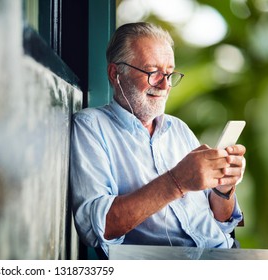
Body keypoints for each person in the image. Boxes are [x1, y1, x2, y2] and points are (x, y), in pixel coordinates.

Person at [70, 22, 246, 258]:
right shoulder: (91, 126)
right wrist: (177, 181)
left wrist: (224, 190)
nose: (165, 85)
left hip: (223, 255)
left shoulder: (178, 129)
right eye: (153, 73)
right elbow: (96, 228)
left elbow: (223, 220)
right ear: (115, 74)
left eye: (169, 73)